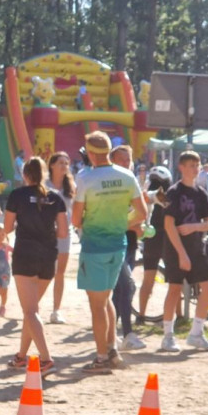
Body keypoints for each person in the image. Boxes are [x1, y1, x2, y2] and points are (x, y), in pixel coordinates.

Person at [71, 132, 145, 372]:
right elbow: (141, 213)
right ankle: (112, 350)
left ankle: (102, 357)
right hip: (118, 245)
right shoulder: (126, 175)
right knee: (106, 300)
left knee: (97, 305)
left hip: (95, 247)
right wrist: (121, 224)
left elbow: (76, 219)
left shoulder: (85, 178)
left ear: (90, 153)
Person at [4, 156, 68, 375]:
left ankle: (46, 359)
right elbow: (63, 232)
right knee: (32, 312)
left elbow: (7, 227)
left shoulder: (16, 195)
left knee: (30, 311)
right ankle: (21, 356)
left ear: (25, 174)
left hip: (25, 255)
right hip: (48, 256)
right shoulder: (56, 197)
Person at [160, 150, 208, 353]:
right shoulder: (173, 193)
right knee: (174, 290)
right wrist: (181, 254)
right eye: (191, 165)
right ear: (181, 168)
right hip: (176, 249)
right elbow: (168, 225)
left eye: (197, 165)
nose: (195, 169)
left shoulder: (201, 192)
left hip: (196, 247)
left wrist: (195, 227)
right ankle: (167, 335)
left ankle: (196, 333)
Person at [110, 145, 145, 352]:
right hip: (114, 242)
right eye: (121, 159)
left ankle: (112, 335)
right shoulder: (112, 186)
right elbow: (113, 218)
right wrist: (132, 222)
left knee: (120, 291)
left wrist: (139, 225)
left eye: (128, 159)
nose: (126, 163)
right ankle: (127, 333)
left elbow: (138, 213)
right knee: (127, 286)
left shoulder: (132, 184)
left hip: (130, 242)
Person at [137, 165, 173, 323]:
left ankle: (141, 315)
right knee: (174, 280)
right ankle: (177, 315)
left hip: (151, 239)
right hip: (167, 238)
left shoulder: (146, 194)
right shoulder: (166, 194)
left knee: (148, 279)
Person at [45, 151, 76, 324]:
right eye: (61, 163)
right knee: (43, 271)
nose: (64, 166)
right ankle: (32, 306)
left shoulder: (71, 187)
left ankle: (56, 310)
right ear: (52, 165)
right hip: (46, 233)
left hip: (65, 234)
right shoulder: (44, 185)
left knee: (60, 273)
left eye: (67, 163)